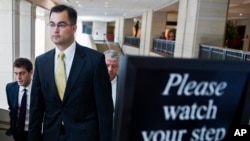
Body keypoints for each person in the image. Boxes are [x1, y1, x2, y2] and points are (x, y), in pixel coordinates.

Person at [28, 4, 113, 141]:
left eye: (61, 24)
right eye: (52, 24)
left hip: (84, 136)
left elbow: (105, 111)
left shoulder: (94, 60)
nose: (55, 29)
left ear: (74, 28)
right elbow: (36, 109)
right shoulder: (41, 62)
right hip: (51, 136)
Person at [6, 58, 33, 141]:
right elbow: (11, 108)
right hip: (17, 131)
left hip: (35, 132)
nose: (18, 77)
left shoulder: (39, 89)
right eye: (16, 73)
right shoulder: (10, 88)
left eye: (22, 73)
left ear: (31, 72)